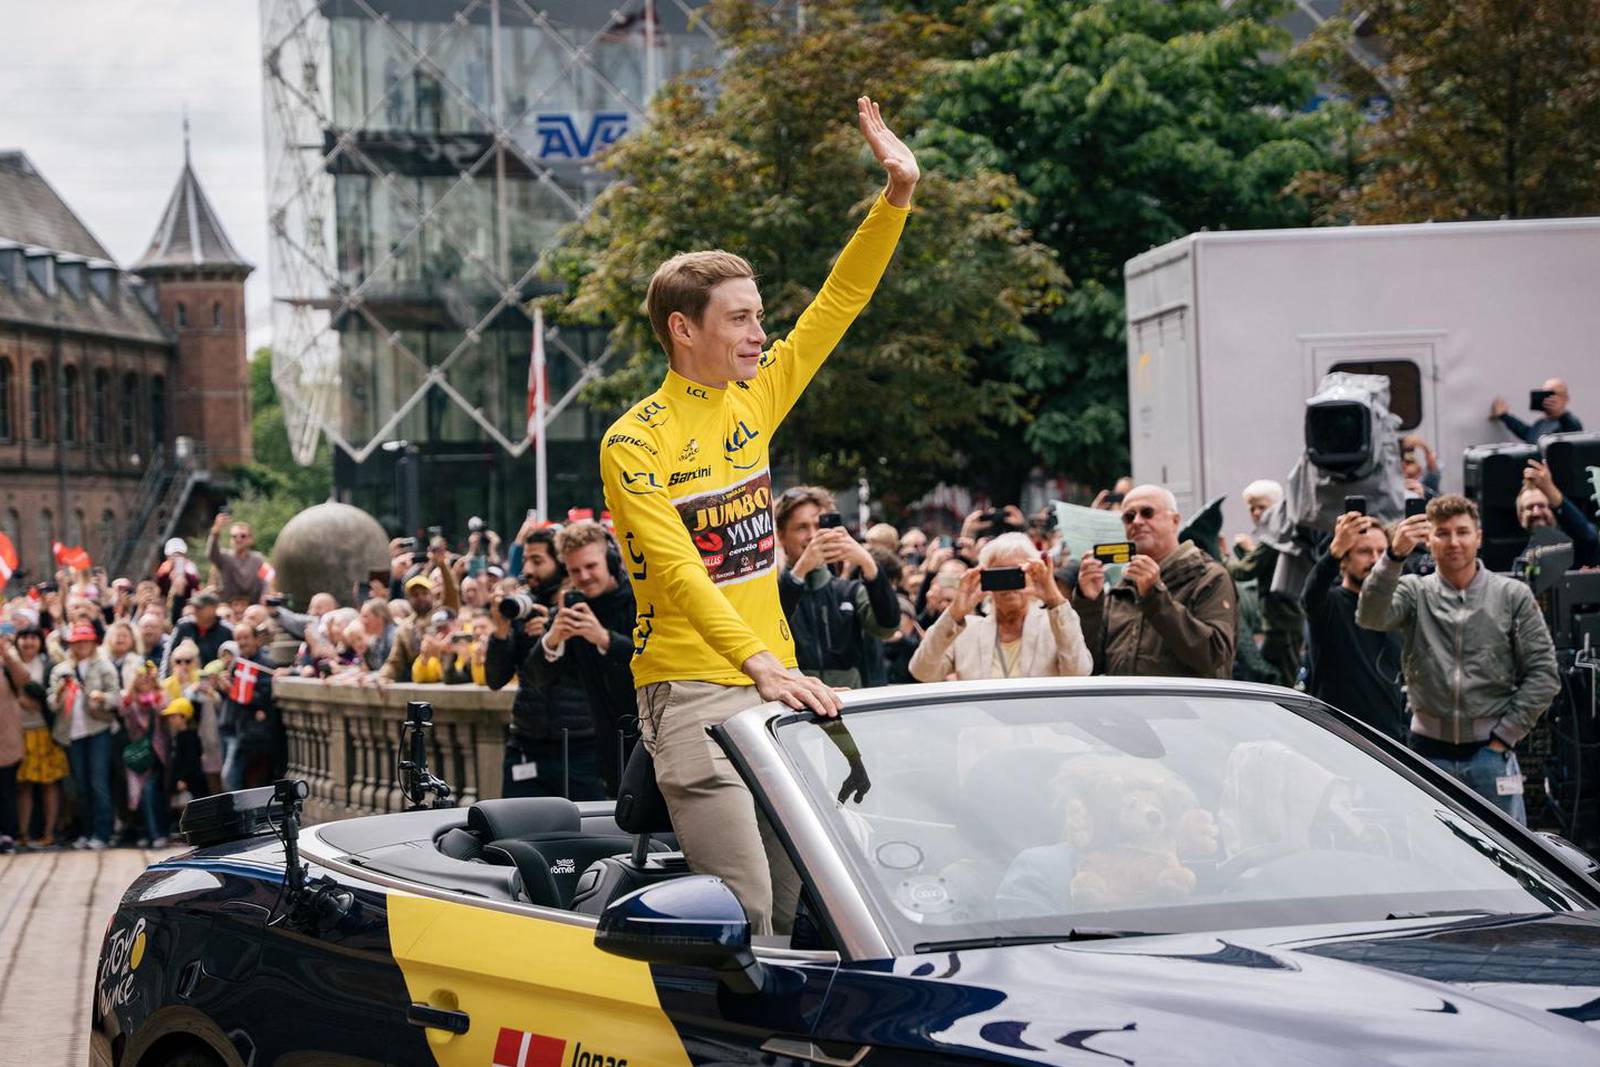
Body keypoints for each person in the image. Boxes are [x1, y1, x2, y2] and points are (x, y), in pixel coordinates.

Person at [599, 96, 916, 934]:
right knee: (748, 916)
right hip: (695, 691)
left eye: (758, 315)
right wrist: (759, 663)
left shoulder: (756, 395)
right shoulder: (634, 440)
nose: (759, 331)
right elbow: (676, 568)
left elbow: (837, 305)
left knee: (807, 911)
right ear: (682, 329)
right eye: (740, 317)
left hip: (773, 682)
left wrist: (896, 197)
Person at [1356, 494, 1560, 824]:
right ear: (1429, 539)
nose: (1453, 542)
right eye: (1443, 533)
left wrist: (1506, 734)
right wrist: (1393, 556)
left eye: (1462, 532)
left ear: (1478, 537)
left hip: (1490, 753)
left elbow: (1544, 673)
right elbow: (1371, 616)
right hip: (1427, 751)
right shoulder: (1414, 590)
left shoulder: (1510, 594)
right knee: (1431, 858)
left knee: (1505, 865)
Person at [518, 521, 640, 796]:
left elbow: (656, 662)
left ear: (609, 559)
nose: (583, 576)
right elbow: (536, 677)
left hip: (648, 736)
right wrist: (553, 640)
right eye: (575, 570)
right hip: (604, 748)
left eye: (591, 566)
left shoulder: (640, 600)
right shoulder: (571, 607)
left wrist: (604, 639)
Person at [1072, 485, 1239, 678]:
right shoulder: (1124, 586)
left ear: (1175, 521)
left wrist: (1154, 596)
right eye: (1128, 517)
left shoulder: (1209, 577)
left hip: (1184, 706)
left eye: (1147, 513)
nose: (1137, 522)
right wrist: (1089, 602)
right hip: (1127, 706)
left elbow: (1214, 656)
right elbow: (1089, 664)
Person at [909, 533, 1092, 682]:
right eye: (999, 574)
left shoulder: (1054, 626)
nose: (1009, 584)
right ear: (984, 577)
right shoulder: (967, 631)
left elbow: (1079, 672)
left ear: (1033, 574)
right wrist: (954, 613)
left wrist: (1054, 598)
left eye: (1017, 573)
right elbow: (922, 671)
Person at [775, 486, 899, 688]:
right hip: (793, 712)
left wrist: (867, 562)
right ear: (781, 536)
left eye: (819, 526)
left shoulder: (848, 591)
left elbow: (887, 628)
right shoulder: (772, 591)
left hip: (850, 707)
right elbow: (771, 627)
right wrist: (800, 571)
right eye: (801, 527)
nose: (813, 536)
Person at [1300, 512, 1404, 738]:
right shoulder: (1331, 604)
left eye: (1382, 552)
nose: (1375, 560)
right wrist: (1335, 550)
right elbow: (1311, 595)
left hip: (1393, 745)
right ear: (1343, 561)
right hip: (1339, 740)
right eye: (1364, 551)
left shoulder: (1399, 605)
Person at [1224, 479, 1304, 687]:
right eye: (1252, 508)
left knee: (1278, 682)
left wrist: (1222, 555)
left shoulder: (1272, 539)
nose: (1256, 513)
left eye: (1262, 507)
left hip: (1282, 622)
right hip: (1285, 620)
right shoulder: (1280, 535)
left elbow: (1243, 572)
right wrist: (1250, 551)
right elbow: (1265, 566)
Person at [49, 622, 122, 849]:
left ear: (93, 642)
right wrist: (60, 692)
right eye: (77, 641)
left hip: (97, 728)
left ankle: (102, 833)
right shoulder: (60, 670)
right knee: (80, 786)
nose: (81, 645)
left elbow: (116, 698)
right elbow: (52, 704)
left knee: (98, 782)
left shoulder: (104, 666)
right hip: (72, 733)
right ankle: (87, 831)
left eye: (85, 640)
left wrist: (102, 697)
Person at [12, 623, 63, 847]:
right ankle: (23, 834)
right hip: (17, 733)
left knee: (49, 784)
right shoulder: (9, 665)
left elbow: (49, 699)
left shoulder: (48, 665)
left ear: (40, 641)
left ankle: (49, 832)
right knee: (23, 785)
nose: (29, 641)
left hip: (44, 731)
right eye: (24, 637)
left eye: (34, 637)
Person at [1515, 458, 1599, 568]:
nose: (1536, 512)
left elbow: (1589, 536)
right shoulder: (1523, 562)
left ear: (1553, 510)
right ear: (1521, 518)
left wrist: (1551, 491)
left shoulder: (1579, 542)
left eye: (1542, 506)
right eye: (1529, 507)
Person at [161, 592, 233, 677]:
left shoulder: (227, 631)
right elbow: (168, 655)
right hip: (182, 682)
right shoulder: (183, 626)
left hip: (214, 683)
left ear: (213, 609)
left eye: (199, 607)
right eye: (194, 606)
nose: (195, 610)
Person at [206, 514, 272, 605]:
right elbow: (211, 553)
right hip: (228, 608)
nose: (238, 539)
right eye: (234, 536)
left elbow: (268, 578)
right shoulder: (224, 557)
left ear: (250, 539)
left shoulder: (258, 559)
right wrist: (215, 533)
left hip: (252, 608)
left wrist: (265, 594)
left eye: (243, 536)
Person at [1492, 378, 1583, 444]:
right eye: (1545, 393)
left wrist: (1560, 414)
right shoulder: (1542, 422)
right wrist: (1504, 416)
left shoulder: (1570, 422)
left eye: (1553, 394)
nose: (1548, 398)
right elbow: (1527, 434)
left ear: (1565, 398)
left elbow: (1573, 432)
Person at [154, 538, 201, 622]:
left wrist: (184, 577)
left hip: (187, 602)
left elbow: (195, 582)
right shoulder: (164, 569)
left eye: (179, 554)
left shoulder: (189, 566)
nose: (177, 557)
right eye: (174, 554)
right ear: (167, 556)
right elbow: (159, 585)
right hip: (167, 603)